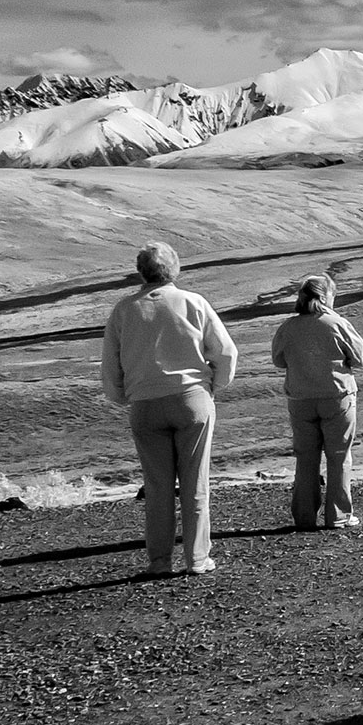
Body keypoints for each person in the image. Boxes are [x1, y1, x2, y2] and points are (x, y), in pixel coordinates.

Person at [101, 241, 238, 578]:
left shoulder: (124, 310)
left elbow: (110, 367)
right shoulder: (194, 302)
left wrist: (125, 397)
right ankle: (196, 558)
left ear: (140, 271)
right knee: (195, 483)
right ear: (175, 269)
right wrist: (212, 387)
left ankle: (159, 561)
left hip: (145, 404)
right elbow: (225, 353)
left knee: (158, 487)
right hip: (192, 398)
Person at [271, 273, 363, 530]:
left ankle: (304, 517)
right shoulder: (336, 323)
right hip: (337, 397)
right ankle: (338, 515)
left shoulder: (288, 327)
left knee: (305, 458)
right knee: (339, 457)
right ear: (327, 297)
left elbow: (279, 360)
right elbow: (360, 359)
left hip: (300, 399)